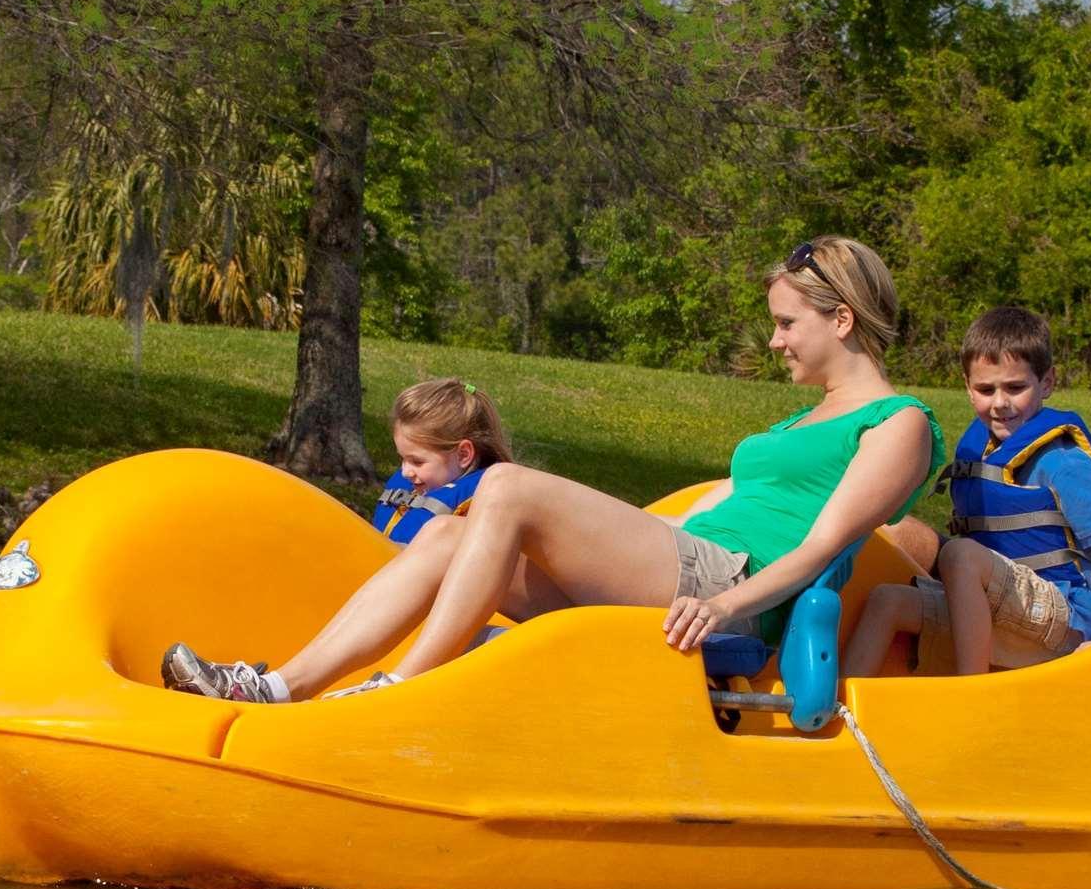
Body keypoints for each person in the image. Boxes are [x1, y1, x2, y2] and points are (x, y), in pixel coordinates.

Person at [161, 238, 937, 703]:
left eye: (786, 324)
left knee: (503, 485)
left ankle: (401, 692)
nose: (775, 342)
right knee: (443, 538)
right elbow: (704, 516)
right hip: (690, 562)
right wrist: (603, 534)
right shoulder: (798, 423)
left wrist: (727, 603)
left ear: (841, 319)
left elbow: (819, 548)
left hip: (728, 588)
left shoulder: (897, 423)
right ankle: (275, 687)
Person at [850, 305, 1091, 676]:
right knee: (887, 601)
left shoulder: (1062, 462)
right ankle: (841, 713)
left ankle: (974, 688)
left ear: (1046, 382)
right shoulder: (983, 450)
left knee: (959, 554)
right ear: (969, 390)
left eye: (1015, 387)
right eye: (986, 389)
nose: (1000, 403)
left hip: (1060, 619)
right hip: (1000, 608)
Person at [371, 378, 508, 545]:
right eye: (403, 458)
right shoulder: (416, 488)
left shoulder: (484, 514)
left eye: (417, 461)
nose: (405, 472)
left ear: (463, 455)